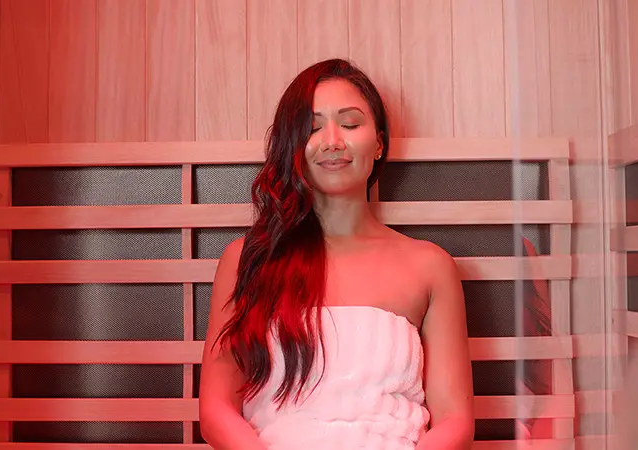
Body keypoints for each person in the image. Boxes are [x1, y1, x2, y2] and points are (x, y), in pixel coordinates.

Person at [198, 58, 474, 449]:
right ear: (291, 146)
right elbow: (216, 408)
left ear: (379, 142)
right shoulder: (248, 260)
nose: (332, 140)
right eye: (312, 128)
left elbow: (455, 420)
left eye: (349, 124)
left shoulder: (430, 267)